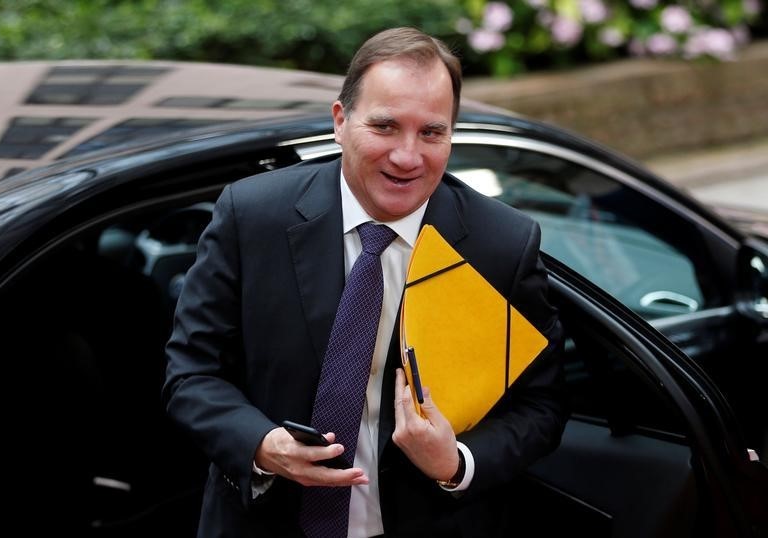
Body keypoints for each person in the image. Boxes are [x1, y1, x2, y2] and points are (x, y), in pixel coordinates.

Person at [163, 27, 567, 537]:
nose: (407, 156)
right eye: (385, 127)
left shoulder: (501, 243)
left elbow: (542, 405)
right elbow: (190, 374)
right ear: (340, 121)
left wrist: (457, 462)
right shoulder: (251, 215)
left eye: (431, 132)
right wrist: (261, 445)